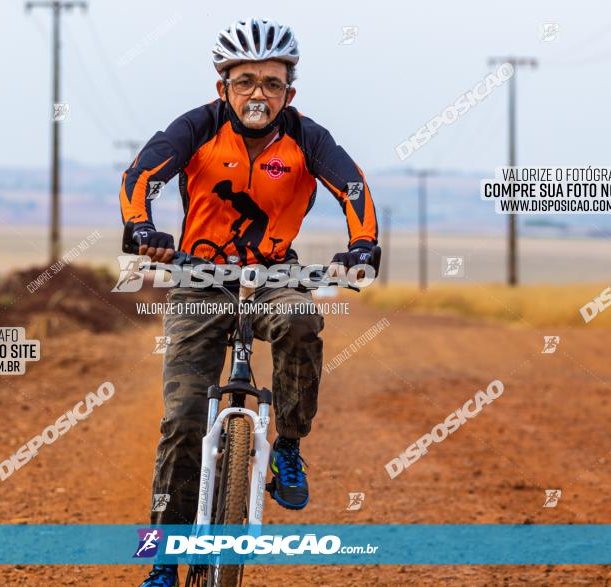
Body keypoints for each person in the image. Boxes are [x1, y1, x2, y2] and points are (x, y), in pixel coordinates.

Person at [121, 18, 378, 587]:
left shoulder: (307, 138)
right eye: (244, 81)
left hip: (274, 273)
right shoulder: (197, 128)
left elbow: (353, 188)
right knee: (182, 422)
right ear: (223, 88)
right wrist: (142, 229)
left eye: (271, 82)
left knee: (300, 315)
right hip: (197, 276)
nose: (258, 93)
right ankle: (162, 560)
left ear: (290, 91)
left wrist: (363, 242)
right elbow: (140, 174)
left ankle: (288, 445)